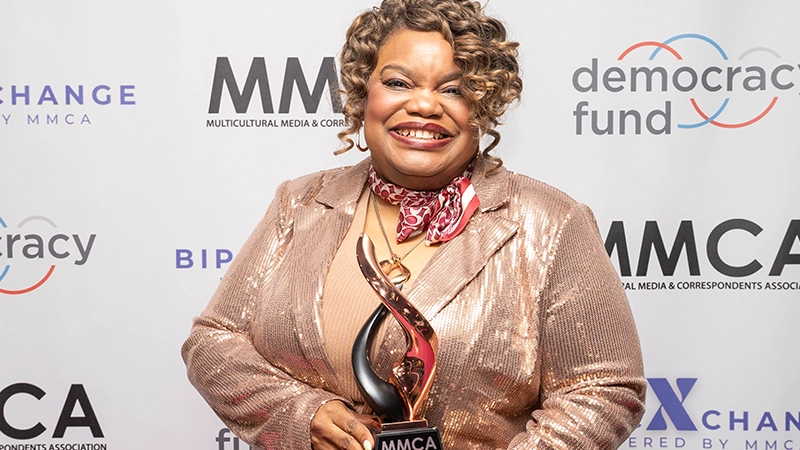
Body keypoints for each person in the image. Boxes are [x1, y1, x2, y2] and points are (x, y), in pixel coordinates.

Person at [182, 0, 646, 449]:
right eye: (400, 82)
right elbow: (212, 343)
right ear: (365, 92)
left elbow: (603, 389)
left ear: (483, 106)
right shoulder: (299, 203)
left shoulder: (550, 223)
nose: (425, 105)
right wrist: (301, 416)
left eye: (453, 88)